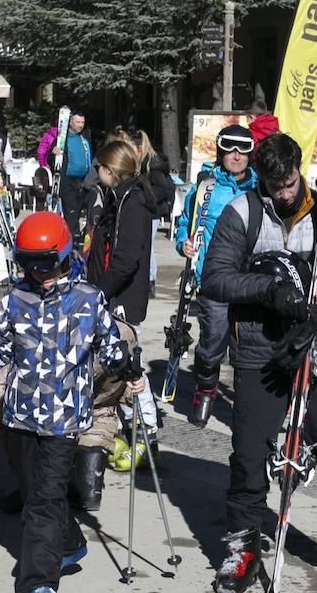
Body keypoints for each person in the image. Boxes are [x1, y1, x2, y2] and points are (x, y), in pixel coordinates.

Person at [201, 132, 317, 593]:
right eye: (274, 186)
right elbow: (214, 278)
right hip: (260, 348)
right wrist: (267, 290)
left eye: (289, 182)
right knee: (248, 454)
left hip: (316, 341)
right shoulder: (242, 211)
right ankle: (242, 546)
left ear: (300, 169)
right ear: (260, 179)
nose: (283, 193)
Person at [0, 211, 130, 593]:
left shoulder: (88, 298)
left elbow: (111, 345)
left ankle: (37, 587)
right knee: (35, 494)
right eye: (30, 265)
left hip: (63, 422)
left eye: (49, 265)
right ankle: (68, 542)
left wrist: (129, 367)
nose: (42, 275)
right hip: (19, 418)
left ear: (67, 256)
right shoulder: (14, 300)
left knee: (46, 501)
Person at [173, 124, 258, 427]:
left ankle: (248, 403)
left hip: (251, 282)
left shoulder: (259, 190)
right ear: (221, 151)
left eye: (243, 150)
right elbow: (184, 223)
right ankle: (206, 387)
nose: (237, 156)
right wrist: (183, 241)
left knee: (247, 346)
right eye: (231, 149)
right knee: (213, 341)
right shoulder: (205, 188)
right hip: (213, 279)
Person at [86, 139, 159, 468]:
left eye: (98, 167)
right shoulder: (118, 197)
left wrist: (100, 292)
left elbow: (126, 259)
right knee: (118, 366)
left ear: (110, 169)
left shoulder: (134, 201)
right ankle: (130, 429)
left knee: (128, 368)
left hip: (122, 299)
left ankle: (148, 435)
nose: (95, 173)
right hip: (111, 293)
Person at [126, 126, 175, 298]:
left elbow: (163, 188)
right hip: (146, 210)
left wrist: (145, 199)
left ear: (139, 148)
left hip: (152, 212)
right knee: (143, 245)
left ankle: (150, 281)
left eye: (131, 148)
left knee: (148, 246)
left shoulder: (152, 165)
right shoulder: (141, 164)